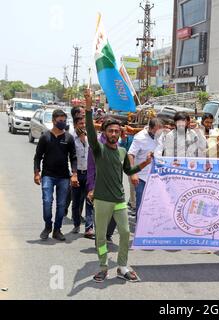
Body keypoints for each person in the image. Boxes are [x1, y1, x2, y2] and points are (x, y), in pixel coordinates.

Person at [84, 89, 153, 283]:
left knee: (124, 232)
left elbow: (129, 171)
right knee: (100, 238)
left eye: (116, 131)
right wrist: (88, 108)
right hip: (102, 200)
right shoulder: (99, 150)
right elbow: (90, 131)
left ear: (120, 133)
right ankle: (104, 266)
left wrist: (145, 163)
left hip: (119, 200)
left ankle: (122, 265)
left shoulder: (122, 151)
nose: (113, 133)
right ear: (105, 133)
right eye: (110, 130)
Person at [34, 109, 79, 241]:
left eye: (64, 121)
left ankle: (57, 230)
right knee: (47, 201)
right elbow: (37, 157)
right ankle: (48, 226)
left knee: (61, 205)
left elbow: (74, 157)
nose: (63, 123)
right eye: (60, 121)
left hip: (64, 177)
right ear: (54, 121)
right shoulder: (45, 137)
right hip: (48, 175)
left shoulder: (69, 138)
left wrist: (74, 174)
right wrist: (37, 173)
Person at [128, 118, 164, 216]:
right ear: (151, 128)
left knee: (154, 206)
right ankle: (140, 229)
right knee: (141, 206)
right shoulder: (139, 138)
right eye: (157, 130)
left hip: (155, 177)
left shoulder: (160, 136)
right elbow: (130, 155)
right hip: (141, 178)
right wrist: (133, 173)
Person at [70, 116, 93, 235]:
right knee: (77, 201)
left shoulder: (90, 137)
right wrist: (72, 175)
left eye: (84, 123)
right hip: (77, 173)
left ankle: (89, 227)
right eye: (80, 123)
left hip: (89, 173)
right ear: (75, 125)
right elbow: (69, 158)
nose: (83, 125)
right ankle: (76, 224)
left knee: (90, 199)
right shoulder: (71, 138)